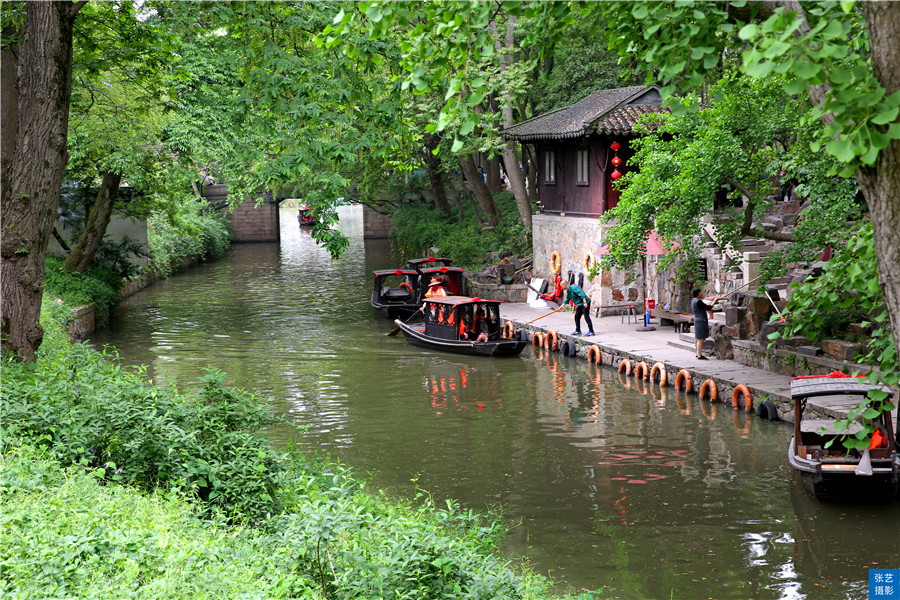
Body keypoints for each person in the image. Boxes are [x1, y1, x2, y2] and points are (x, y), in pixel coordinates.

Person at [691, 288, 721, 360]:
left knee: (701, 338)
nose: (702, 293)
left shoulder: (694, 301)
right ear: (698, 293)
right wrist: (715, 301)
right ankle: (699, 355)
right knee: (701, 338)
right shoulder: (698, 301)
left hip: (698, 319)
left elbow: (704, 306)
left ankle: (698, 353)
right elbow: (708, 308)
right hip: (701, 320)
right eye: (701, 292)